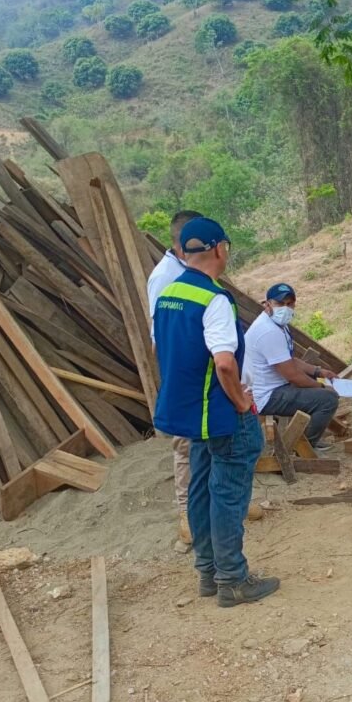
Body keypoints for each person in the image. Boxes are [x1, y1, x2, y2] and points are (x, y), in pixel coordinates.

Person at [152, 218, 279, 607]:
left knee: (200, 490)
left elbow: (164, 350)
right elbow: (224, 364)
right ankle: (233, 580)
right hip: (221, 413)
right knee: (227, 494)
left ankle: (208, 573)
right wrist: (241, 403)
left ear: (184, 252)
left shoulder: (168, 293)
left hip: (190, 412)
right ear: (220, 249)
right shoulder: (214, 299)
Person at [146, 209, 204, 551]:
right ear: (181, 244)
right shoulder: (165, 277)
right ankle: (187, 516)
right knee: (184, 445)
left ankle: (215, 509)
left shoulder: (191, 270)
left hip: (201, 370)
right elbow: (161, 334)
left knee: (209, 442)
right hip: (182, 373)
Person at [244, 282, 339, 452]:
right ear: (267, 305)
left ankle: (305, 440)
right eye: (280, 304)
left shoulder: (276, 325)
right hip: (265, 396)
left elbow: (289, 360)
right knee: (328, 399)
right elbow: (292, 376)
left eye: (289, 304)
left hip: (272, 387)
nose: (285, 308)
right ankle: (304, 447)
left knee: (314, 383)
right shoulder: (268, 331)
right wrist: (322, 386)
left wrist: (318, 371)